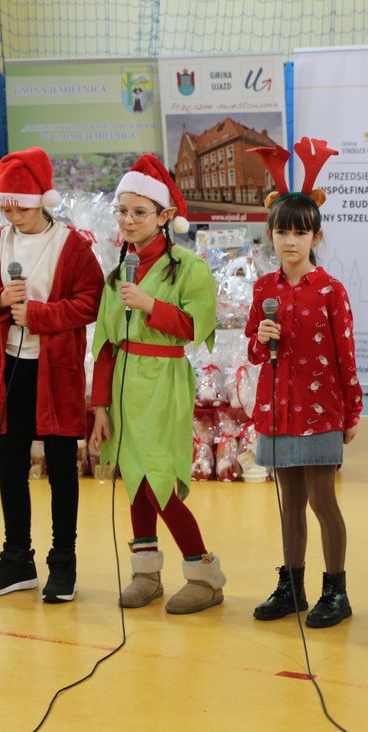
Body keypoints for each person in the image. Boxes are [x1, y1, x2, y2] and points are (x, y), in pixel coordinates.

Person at [88, 154, 227, 614]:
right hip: (126, 384)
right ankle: (145, 572)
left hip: (164, 381)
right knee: (134, 478)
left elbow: (195, 326)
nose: (128, 221)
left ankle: (203, 573)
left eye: (139, 212)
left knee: (159, 481)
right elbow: (106, 344)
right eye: (123, 212)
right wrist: (101, 407)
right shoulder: (117, 273)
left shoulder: (190, 267)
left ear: (165, 217)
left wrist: (149, 304)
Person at [0, 147, 104, 603]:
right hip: (8, 365)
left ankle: (62, 563)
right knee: (9, 462)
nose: (13, 214)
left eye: (21, 206)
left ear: (42, 200)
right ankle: (16, 559)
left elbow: (91, 300)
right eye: (5, 206)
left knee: (62, 464)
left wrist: (41, 314)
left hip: (55, 369)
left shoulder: (72, 245)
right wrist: (2, 303)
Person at [243, 138, 362, 628]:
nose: (290, 241)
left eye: (300, 232)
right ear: (270, 236)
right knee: (288, 500)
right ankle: (292, 585)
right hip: (276, 409)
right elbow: (253, 348)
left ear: (315, 236)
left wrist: (351, 412)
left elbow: (345, 355)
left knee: (321, 499)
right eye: (282, 232)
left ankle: (336, 590)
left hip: (321, 413)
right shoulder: (263, 289)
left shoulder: (332, 290)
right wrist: (261, 336)